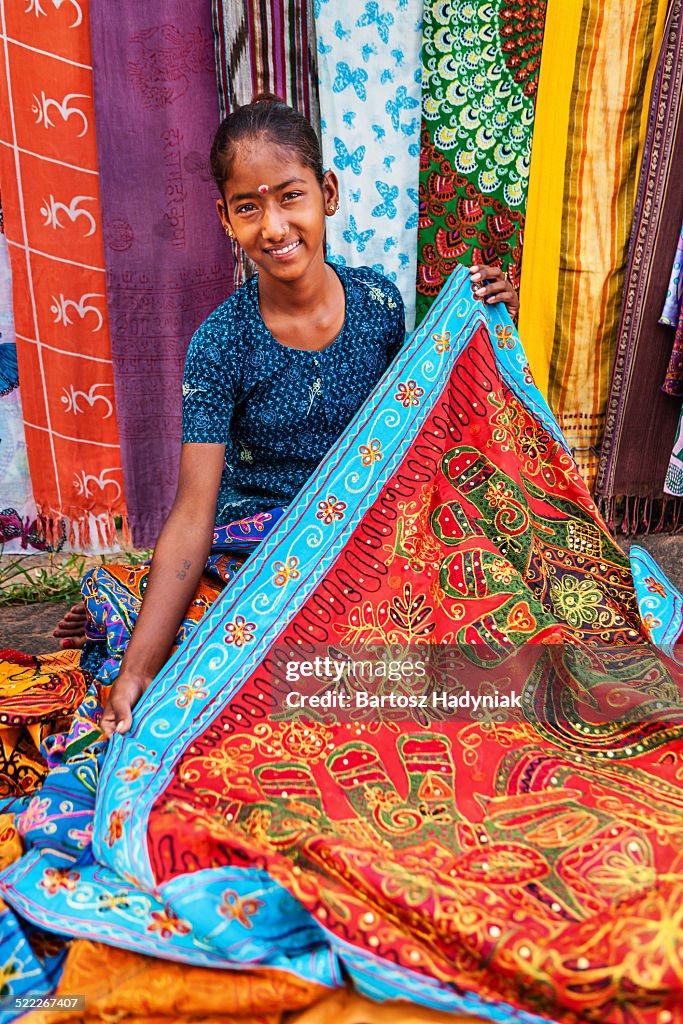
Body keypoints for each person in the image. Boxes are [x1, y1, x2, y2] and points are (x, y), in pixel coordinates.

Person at [51, 94, 519, 737]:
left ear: (327, 193)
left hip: (364, 542)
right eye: (249, 207)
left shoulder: (379, 305)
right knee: (218, 667)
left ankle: (125, 604)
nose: (273, 226)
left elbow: (421, 429)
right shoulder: (220, 345)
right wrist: (135, 677)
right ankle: (131, 625)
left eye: (290, 196)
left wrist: (485, 317)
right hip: (258, 557)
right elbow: (194, 513)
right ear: (224, 218)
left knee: (471, 626)